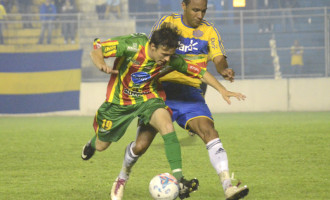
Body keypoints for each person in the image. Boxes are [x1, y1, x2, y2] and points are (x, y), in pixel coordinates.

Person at [111, 0, 250, 200]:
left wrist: (223, 70)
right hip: (159, 90)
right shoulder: (167, 22)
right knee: (141, 145)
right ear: (183, 6)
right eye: (195, 10)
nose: (200, 15)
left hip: (190, 92)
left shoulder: (209, 31)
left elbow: (218, 57)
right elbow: (151, 51)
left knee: (209, 131)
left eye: (203, 11)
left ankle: (228, 186)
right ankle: (122, 178)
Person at [81, 23, 210, 200]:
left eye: (169, 55)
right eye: (164, 54)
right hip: (119, 102)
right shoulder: (132, 45)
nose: (166, 58)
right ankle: (93, 143)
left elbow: (198, 71)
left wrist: (224, 89)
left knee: (166, 127)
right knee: (102, 145)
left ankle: (177, 179)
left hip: (149, 98)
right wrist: (101, 63)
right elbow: (97, 51)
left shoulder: (167, 56)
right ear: (153, 46)